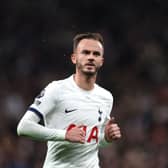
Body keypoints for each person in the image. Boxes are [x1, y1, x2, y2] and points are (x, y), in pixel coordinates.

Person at [17, 32, 121, 168]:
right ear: (74, 58)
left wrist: (106, 138)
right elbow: (23, 127)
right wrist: (64, 135)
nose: (90, 57)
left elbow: (93, 141)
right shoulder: (56, 89)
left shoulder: (106, 97)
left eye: (96, 54)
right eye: (85, 52)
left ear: (101, 61)